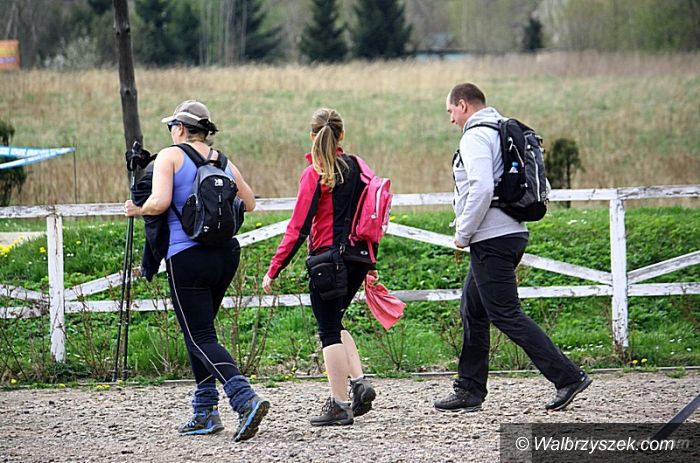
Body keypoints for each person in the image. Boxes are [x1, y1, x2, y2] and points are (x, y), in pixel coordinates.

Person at [434, 83, 591, 413]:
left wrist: (463, 232)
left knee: (506, 314)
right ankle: (469, 388)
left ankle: (567, 377)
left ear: (463, 105)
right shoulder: (506, 131)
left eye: (451, 111)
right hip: (511, 232)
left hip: (491, 237)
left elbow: (480, 187)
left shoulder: (476, 136)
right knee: (473, 309)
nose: (451, 120)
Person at [124, 100, 269, 441]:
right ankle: (204, 410)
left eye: (171, 127)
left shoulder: (170, 157)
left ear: (180, 129)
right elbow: (249, 203)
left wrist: (136, 209)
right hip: (225, 256)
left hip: (186, 257)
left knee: (200, 337)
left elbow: (159, 202)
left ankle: (244, 398)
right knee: (201, 334)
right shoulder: (223, 161)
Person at [262, 108, 377, 426]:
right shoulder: (359, 167)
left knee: (328, 331)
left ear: (312, 136)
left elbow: (298, 228)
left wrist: (274, 268)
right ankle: (359, 383)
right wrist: (371, 262)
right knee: (335, 321)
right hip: (358, 257)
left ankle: (339, 405)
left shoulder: (316, 173)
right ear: (342, 136)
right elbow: (372, 214)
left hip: (328, 262)